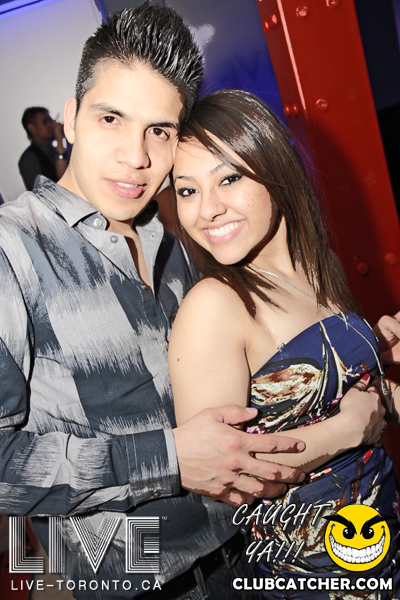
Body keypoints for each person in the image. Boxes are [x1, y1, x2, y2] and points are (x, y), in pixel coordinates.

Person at [0, 6, 318, 600]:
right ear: (71, 119)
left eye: (160, 131)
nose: (136, 156)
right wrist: (166, 458)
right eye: (111, 119)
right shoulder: (10, 251)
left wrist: (348, 365)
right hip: (136, 581)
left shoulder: (172, 237)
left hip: (251, 547)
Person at [169, 89, 400, 598]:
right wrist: (346, 432)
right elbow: (226, 477)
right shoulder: (215, 306)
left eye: (229, 178)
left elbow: (350, 395)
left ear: (274, 167)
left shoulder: (322, 268)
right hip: (309, 577)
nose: (207, 209)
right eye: (186, 190)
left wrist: (377, 359)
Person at [18, 106, 69, 190]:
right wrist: (59, 140)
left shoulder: (53, 150)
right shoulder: (28, 159)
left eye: (50, 121)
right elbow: (39, 193)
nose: (51, 125)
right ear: (32, 128)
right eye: (45, 122)